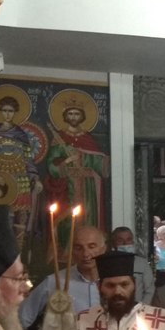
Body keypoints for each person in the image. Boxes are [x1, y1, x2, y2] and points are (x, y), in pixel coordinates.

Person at [0, 94, 42, 250]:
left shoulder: (21, 136)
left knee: (19, 218)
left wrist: (35, 178)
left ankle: (16, 253)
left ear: (15, 112)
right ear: (0, 111)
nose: (7, 114)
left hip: (20, 181)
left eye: (10, 111)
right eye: (4, 110)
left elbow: (27, 160)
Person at [20, 225, 107, 330]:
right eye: (78, 248)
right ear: (71, 251)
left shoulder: (115, 281)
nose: (85, 254)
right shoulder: (55, 281)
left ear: (103, 249)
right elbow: (22, 318)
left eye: (92, 247)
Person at [44, 95, 108, 233]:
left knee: (88, 218)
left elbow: (97, 162)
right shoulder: (59, 138)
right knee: (67, 223)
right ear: (66, 116)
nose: (73, 117)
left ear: (82, 116)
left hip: (88, 187)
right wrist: (67, 161)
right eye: (71, 114)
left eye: (77, 114)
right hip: (68, 187)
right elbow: (51, 164)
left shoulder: (87, 138)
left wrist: (104, 161)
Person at [111, 226, 155, 304]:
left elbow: (149, 290)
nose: (125, 244)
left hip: (139, 307)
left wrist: (142, 308)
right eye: (120, 240)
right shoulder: (107, 264)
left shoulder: (142, 263)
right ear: (113, 243)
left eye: (128, 240)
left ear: (133, 242)